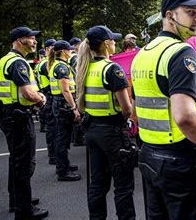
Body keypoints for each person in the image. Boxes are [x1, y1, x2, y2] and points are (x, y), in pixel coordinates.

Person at [131, 0, 196, 219]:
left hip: (150, 156)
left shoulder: (143, 53)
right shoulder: (181, 54)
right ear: (170, 15)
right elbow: (184, 116)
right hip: (180, 160)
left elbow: (135, 109)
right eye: (190, 12)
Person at [75, 25, 136, 219]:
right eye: (113, 40)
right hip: (112, 132)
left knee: (98, 183)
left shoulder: (85, 67)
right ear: (105, 44)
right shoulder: (112, 69)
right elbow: (126, 109)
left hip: (92, 130)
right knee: (123, 186)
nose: (115, 43)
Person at [0, 26, 48, 218]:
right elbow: (27, 92)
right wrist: (41, 98)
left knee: (15, 161)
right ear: (19, 40)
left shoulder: (6, 59)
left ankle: (17, 200)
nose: (34, 41)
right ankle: (24, 210)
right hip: (18, 118)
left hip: (10, 115)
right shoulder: (18, 63)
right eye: (31, 38)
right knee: (24, 163)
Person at [48, 40, 81, 181]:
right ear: (63, 51)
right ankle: (63, 171)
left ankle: (64, 164)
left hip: (59, 103)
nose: (71, 51)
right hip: (63, 104)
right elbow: (66, 90)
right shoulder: (61, 67)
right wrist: (74, 108)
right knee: (62, 138)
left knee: (63, 137)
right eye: (69, 49)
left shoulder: (58, 64)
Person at [35, 47, 57, 165]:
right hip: (49, 95)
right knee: (53, 128)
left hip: (46, 94)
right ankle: (53, 156)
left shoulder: (42, 63)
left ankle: (53, 155)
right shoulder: (46, 65)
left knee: (51, 128)